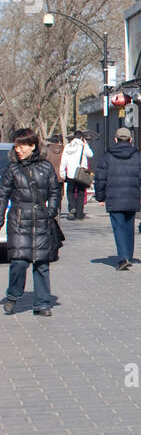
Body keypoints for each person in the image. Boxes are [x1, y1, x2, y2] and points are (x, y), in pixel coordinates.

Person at [0, 127, 62, 316]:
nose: (18, 149)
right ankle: (13, 295)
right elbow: (2, 194)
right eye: (17, 146)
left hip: (41, 219)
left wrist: (51, 211)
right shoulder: (12, 169)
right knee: (19, 261)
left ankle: (42, 303)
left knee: (41, 263)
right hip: (19, 220)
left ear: (32, 146)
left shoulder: (46, 167)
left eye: (22, 146)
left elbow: (54, 191)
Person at [93, 127, 141, 271]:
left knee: (118, 228)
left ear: (115, 140)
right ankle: (128, 255)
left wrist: (100, 196)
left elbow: (100, 178)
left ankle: (122, 258)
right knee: (128, 227)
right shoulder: (138, 156)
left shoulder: (107, 157)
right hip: (132, 198)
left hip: (114, 199)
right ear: (130, 140)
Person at [60, 130, 94, 219]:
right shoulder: (83, 146)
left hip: (70, 173)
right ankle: (79, 213)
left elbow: (63, 161)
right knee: (80, 192)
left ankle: (72, 206)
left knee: (69, 191)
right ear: (82, 138)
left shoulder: (68, 146)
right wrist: (86, 144)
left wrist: (62, 172)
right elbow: (90, 154)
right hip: (80, 173)